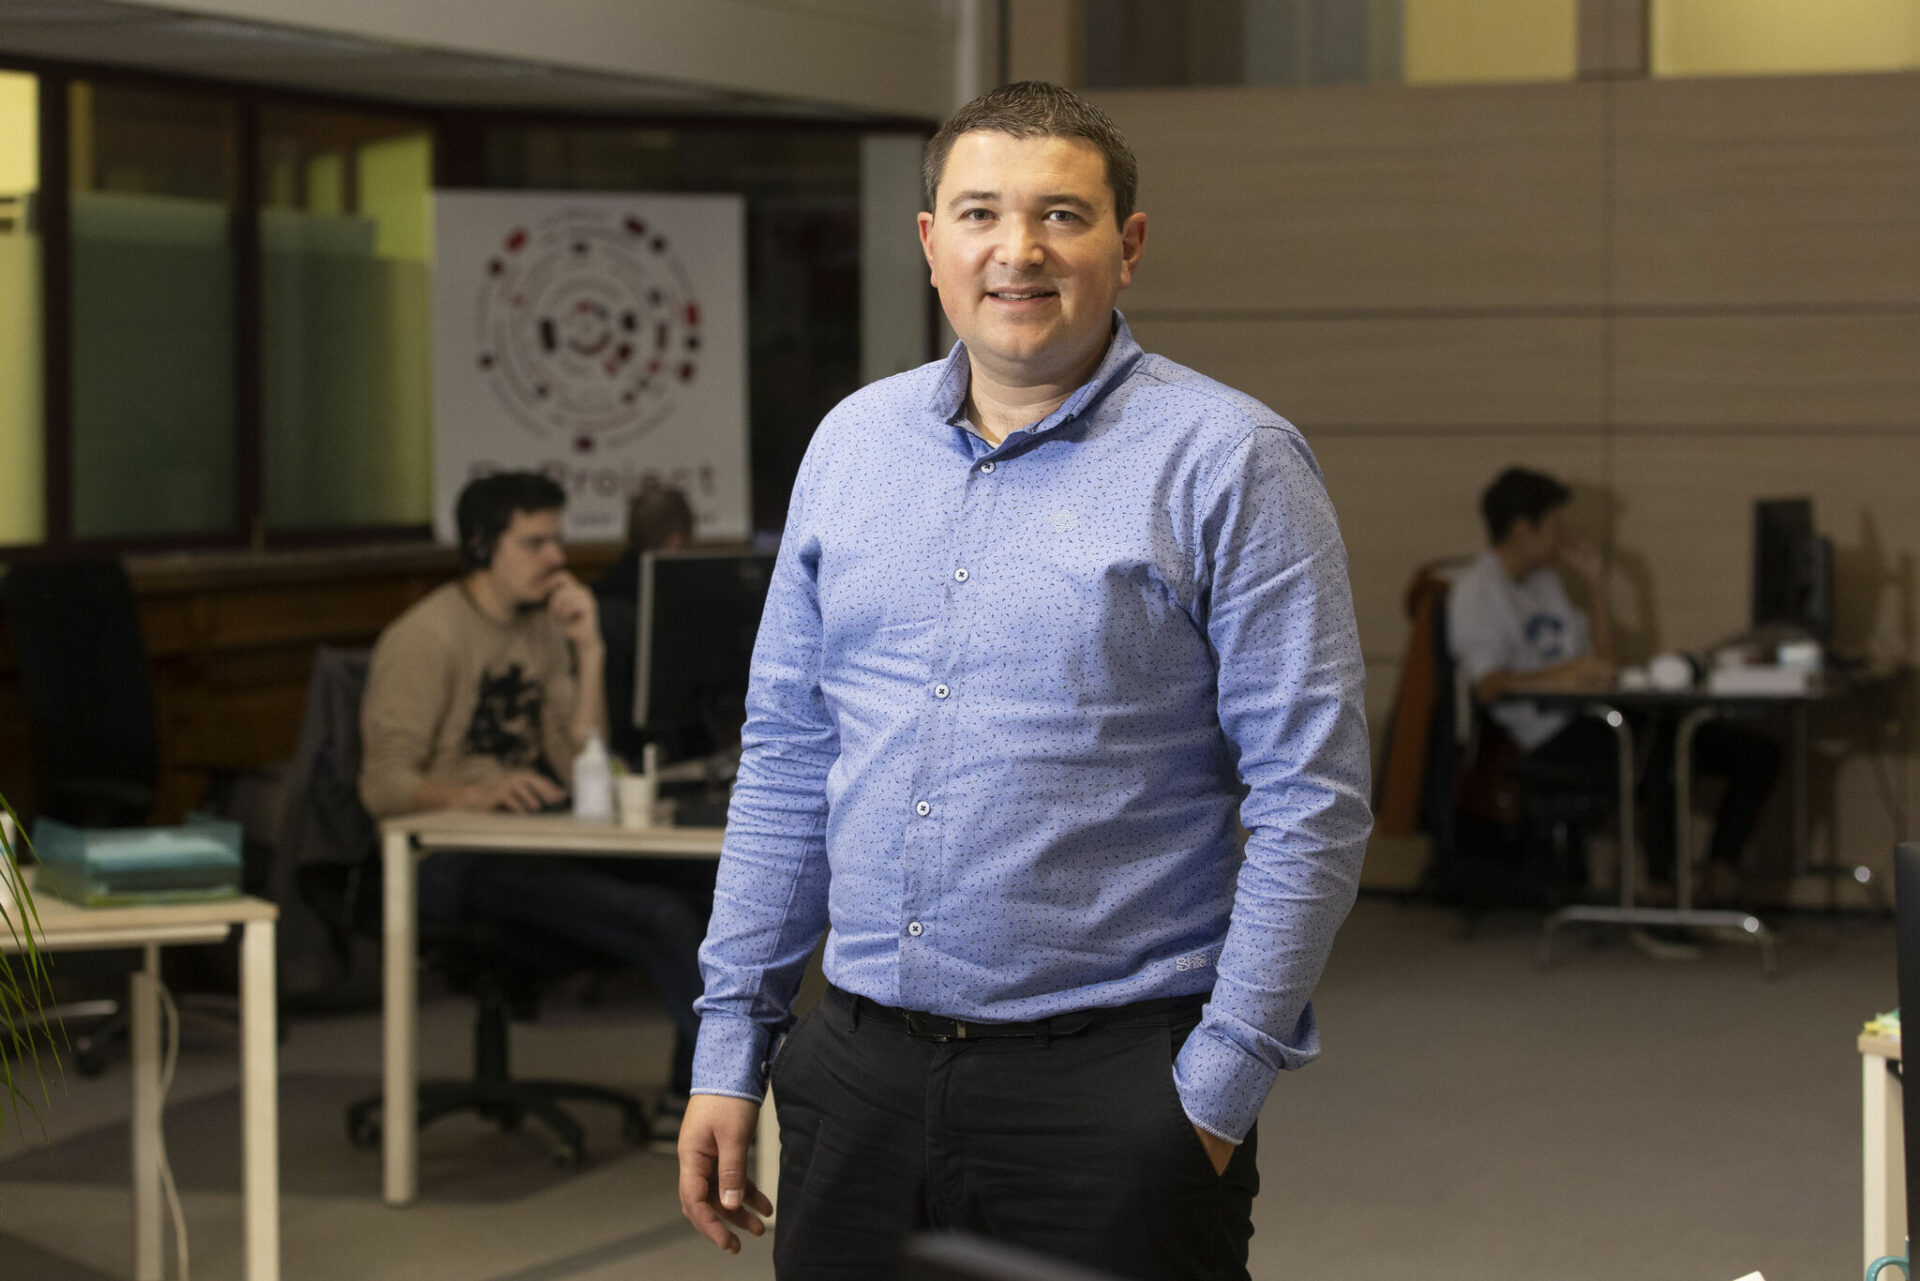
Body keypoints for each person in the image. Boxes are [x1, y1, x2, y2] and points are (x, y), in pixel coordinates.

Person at [676, 82, 1373, 1280]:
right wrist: (730, 1044)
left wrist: (1216, 1091)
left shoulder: (1231, 460)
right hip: (856, 1078)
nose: (1019, 250)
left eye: (1061, 214)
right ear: (930, 241)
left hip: (1112, 1092)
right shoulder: (851, 445)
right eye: (981, 213)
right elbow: (789, 753)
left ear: (1128, 245)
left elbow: (1313, 797)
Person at [358, 470, 706, 1132]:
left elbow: (581, 762)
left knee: (713, 886)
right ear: (482, 546)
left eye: (557, 540)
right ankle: (730, 1099)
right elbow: (382, 787)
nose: (556, 558)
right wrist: (477, 794)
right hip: (443, 855)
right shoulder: (425, 637)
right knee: (660, 917)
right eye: (535, 543)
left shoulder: (543, 629)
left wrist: (589, 649)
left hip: (527, 836)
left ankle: (689, 1095)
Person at [1446, 466, 1779, 907]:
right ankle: (1662, 893)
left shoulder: (1545, 582)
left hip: (1596, 714)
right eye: (1556, 524)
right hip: (1547, 734)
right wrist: (1561, 675)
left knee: (1750, 751)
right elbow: (1487, 686)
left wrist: (1595, 583)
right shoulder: (1477, 591)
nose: (1564, 535)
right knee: (1662, 751)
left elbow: (1603, 662)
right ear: (1523, 528)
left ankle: (1718, 878)